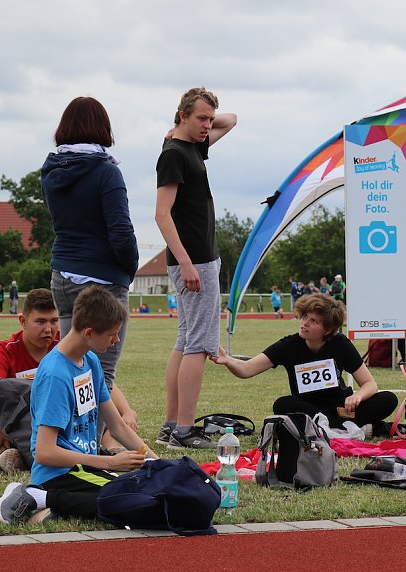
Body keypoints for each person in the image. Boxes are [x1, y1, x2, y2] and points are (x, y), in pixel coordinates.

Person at [0, 286, 157, 524]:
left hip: (84, 471)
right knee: (140, 502)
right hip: (59, 475)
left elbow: (118, 427)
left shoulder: (90, 360)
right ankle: (38, 496)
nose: (116, 340)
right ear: (89, 332)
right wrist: (110, 462)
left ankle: (50, 509)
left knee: (147, 493)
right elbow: (45, 452)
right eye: (112, 334)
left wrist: (157, 463)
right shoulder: (56, 375)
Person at [41, 96, 141, 450]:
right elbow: (120, 230)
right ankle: (85, 448)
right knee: (101, 375)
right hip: (103, 278)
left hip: (64, 275)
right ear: (103, 128)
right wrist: (129, 267)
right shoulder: (106, 171)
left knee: (72, 366)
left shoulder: (51, 171)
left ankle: (60, 442)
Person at [154, 87, 237, 449]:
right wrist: (186, 261)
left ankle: (172, 424)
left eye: (208, 118)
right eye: (200, 118)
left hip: (200, 258)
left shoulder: (191, 145)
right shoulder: (174, 153)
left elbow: (231, 120)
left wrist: (194, 125)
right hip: (195, 261)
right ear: (182, 115)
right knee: (200, 345)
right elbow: (161, 213)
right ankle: (184, 430)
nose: (207, 124)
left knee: (187, 341)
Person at [211, 293, 398, 434]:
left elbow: (370, 384)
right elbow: (247, 369)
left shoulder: (340, 343)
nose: (304, 323)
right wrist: (227, 360)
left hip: (341, 407)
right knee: (282, 404)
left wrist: (358, 396)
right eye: (304, 317)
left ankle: (333, 428)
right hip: (308, 408)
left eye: (313, 321)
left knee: (389, 399)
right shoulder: (288, 345)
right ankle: (354, 429)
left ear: (328, 330)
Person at [0, 289, 60, 472]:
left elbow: (97, 381)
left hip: (56, 423)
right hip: (18, 425)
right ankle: (6, 455)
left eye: (54, 321)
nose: (48, 329)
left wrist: (126, 412)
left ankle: (112, 447)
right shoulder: (4, 350)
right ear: (23, 321)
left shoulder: (64, 346)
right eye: (40, 321)